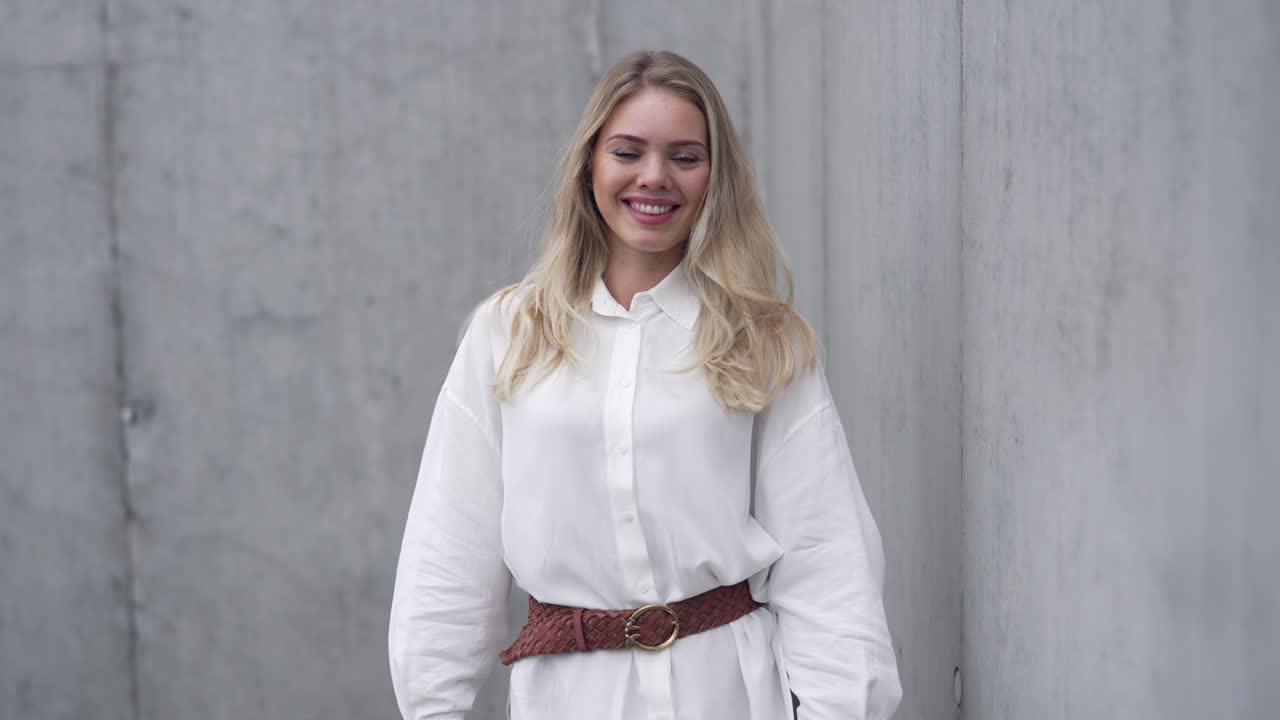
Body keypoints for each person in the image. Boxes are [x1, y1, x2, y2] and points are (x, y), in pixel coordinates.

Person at [388, 50, 902, 720]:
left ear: (716, 176)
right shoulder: (509, 333)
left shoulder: (763, 340)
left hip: (727, 696)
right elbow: (448, 553)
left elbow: (827, 560)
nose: (654, 177)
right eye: (628, 151)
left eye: (685, 157)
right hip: (568, 701)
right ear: (589, 166)